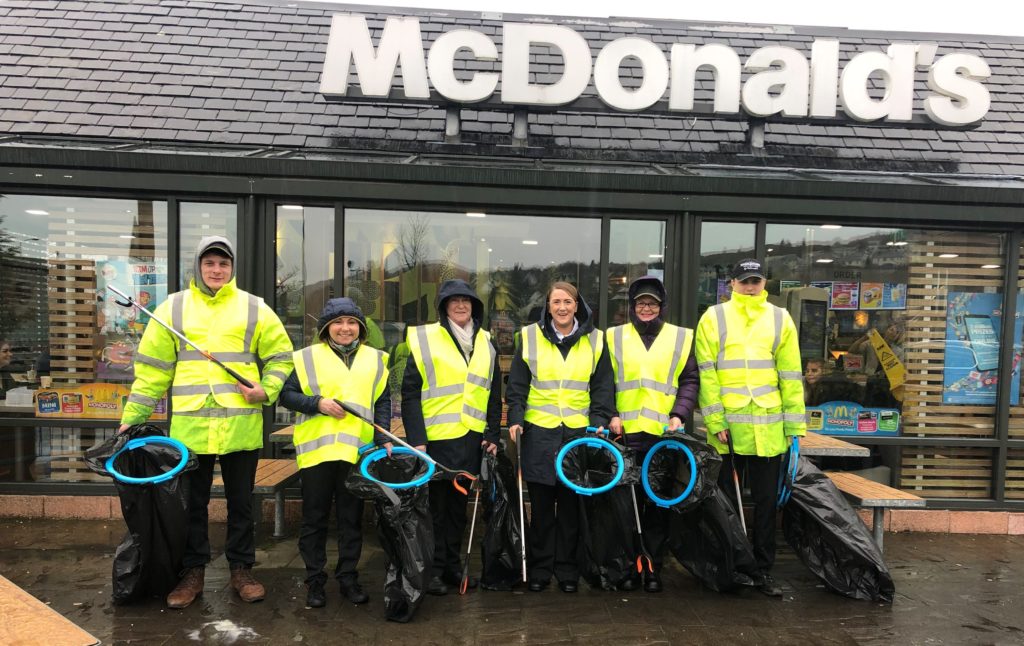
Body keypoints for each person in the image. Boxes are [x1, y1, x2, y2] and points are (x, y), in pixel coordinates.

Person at [118, 236, 294, 609]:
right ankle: (193, 571)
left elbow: (281, 357)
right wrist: (132, 418)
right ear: (198, 266)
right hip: (191, 430)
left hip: (240, 429)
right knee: (192, 505)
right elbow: (152, 371)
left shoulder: (254, 308)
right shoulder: (172, 309)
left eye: (224, 264)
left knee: (241, 503)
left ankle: (242, 570)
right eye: (210, 263)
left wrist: (266, 389)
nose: (217, 270)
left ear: (232, 269)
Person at [695, 258, 805, 598]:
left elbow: (790, 375)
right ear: (732, 283)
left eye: (756, 280)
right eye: (745, 281)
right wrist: (715, 420)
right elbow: (707, 372)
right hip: (727, 428)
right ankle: (731, 566)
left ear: (764, 283)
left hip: (770, 429)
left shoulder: (779, 318)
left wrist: (794, 426)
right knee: (726, 503)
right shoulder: (714, 317)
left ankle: (761, 570)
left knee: (766, 503)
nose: (750, 286)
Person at [279, 298, 390, 609]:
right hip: (318, 452)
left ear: (361, 328)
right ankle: (315, 581)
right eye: (338, 322)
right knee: (314, 519)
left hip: (356, 451)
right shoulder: (306, 358)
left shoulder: (376, 359)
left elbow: (381, 401)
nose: (345, 328)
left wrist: (382, 438)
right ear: (326, 328)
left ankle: (348, 578)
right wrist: (317, 404)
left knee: (350, 519)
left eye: (352, 322)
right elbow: (286, 395)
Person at [505, 281, 614, 594]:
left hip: (578, 434)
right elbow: (517, 385)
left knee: (569, 509)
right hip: (539, 432)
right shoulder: (529, 337)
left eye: (568, 302)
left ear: (576, 305)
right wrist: (515, 419)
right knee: (540, 509)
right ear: (548, 306)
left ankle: (566, 570)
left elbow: (603, 386)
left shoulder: (596, 340)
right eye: (556, 302)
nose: (562, 307)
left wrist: (598, 421)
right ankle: (540, 569)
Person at [402, 279, 502, 596]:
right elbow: (409, 395)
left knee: (458, 509)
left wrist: (492, 433)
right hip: (433, 440)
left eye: (466, 300)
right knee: (433, 510)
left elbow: (493, 393)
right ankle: (430, 569)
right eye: (453, 300)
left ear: (475, 306)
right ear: (444, 306)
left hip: (470, 439)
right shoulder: (424, 338)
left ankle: (451, 567)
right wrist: (417, 439)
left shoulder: (487, 342)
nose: (460, 305)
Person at [606, 276, 698, 593]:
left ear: (661, 307)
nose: (646, 308)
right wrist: (611, 415)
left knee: (657, 504)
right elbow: (604, 381)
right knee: (626, 506)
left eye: (652, 303)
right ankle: (630, 565)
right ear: (632, 307)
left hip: (663, 436)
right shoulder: (613, 337)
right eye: (641, 303)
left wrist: (679, 414)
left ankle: (653, 566)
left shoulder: (681, 338)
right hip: (625, 435)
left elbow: (690, 381)